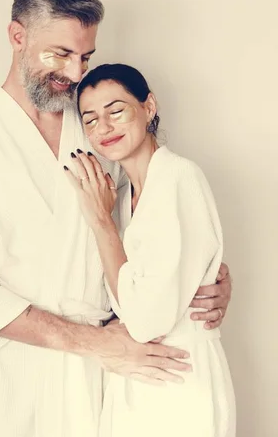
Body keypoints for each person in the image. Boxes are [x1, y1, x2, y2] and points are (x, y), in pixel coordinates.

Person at [0, 0, 232, 437]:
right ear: (17, 35)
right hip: (4, 374)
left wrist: (210, 276)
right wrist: (94, 344)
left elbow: (154, 222)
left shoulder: (95, 127)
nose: (75, 72)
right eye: (60, 54)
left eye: (85, 56)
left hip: (98, 376)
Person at [65, 62, 236, 436]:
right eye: (90, 119)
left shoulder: (178, 179)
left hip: (180, 382)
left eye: (116, 111)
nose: (104, 128)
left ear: (149, 107)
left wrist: (101, 221)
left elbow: (144, 322)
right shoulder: (121, 196)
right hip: (133, 385)